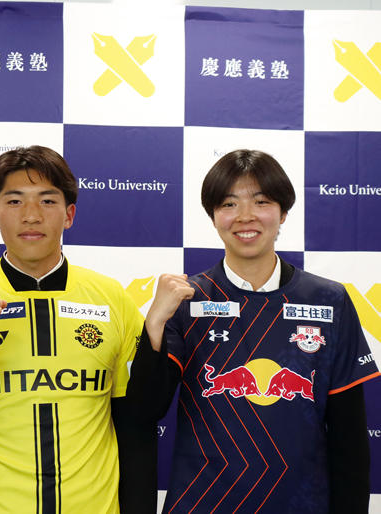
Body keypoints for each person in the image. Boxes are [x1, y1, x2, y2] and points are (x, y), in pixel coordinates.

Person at [0, 146, 157, 513]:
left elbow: (137, 424)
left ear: (69, 215)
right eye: (15, 201)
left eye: (47, 201)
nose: (32, 215)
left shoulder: (112, 299)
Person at [131, 149, 380, 513]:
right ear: (213, 217)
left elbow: (350, 438)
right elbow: (143, 412)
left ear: (283, 213)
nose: (245, 216)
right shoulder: (186, 299)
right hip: (204, 502)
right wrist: (154, 322)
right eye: (229, 204)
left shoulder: (329, 300)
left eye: (261, 202)